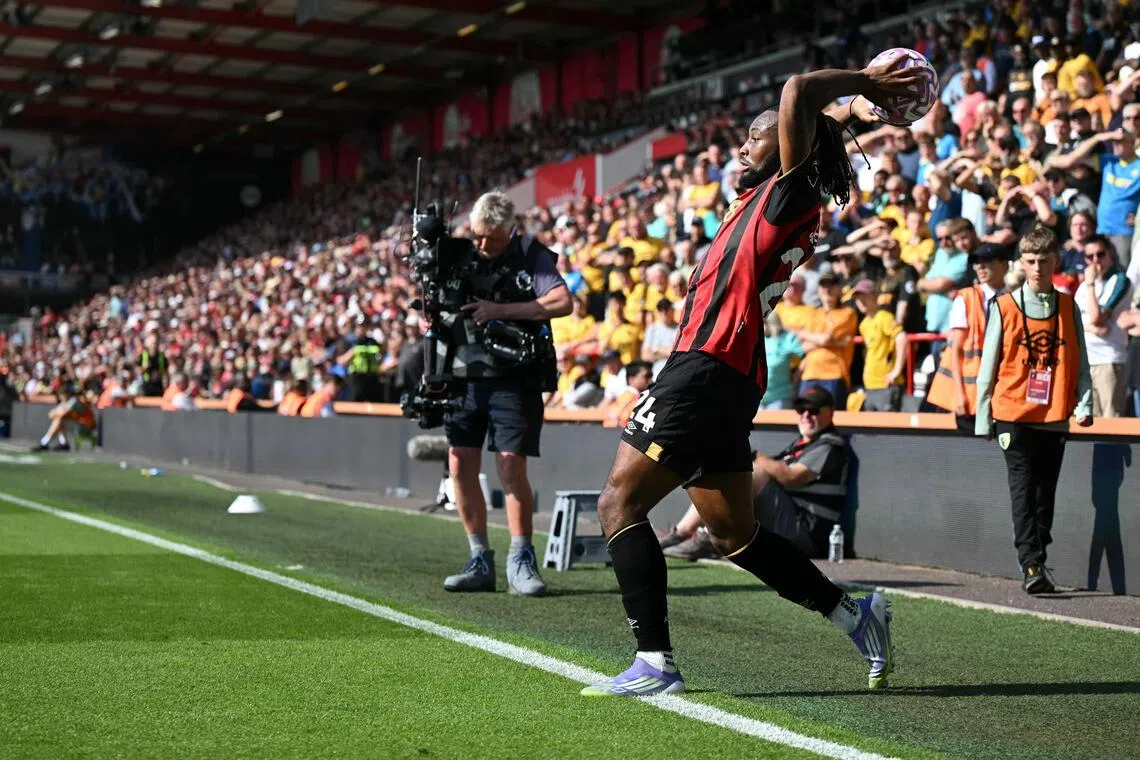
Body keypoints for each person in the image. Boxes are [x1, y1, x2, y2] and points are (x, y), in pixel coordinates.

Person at [582, 57, 923, 698]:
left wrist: (863, 86)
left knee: (617, 505)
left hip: (707, 367)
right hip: (730, 375)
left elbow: (797, 91)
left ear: (784, 148)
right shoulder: (768, 194)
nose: (743, 144)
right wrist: (849, 112)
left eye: (755, 136)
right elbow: (809, 116)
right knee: (734, 533)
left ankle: (654, 662)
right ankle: (856, 614)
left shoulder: (790, 192)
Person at [442, 191, 572, 597]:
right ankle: (479, 557)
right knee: (460, 461)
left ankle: (521, 556)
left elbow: (562, 301)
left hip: (515, 375)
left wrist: (501, 311)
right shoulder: (460, 253)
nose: (483, 246)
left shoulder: (531, 252)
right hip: (462, 371)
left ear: (510, 231)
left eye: (492, 240)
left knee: (510, 463)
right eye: (477, 236)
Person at [975, 226, 1093, 595]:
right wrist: (984, 418)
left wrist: (1084, 403)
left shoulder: (1068, 305)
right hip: (1012, 413)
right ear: (1021, 263)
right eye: (1031, 261)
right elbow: (988, 365)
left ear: (1056, 261)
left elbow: (1083, 362)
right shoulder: (1005, 306)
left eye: (1044, 260)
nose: (1038, 267)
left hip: (1054, 414)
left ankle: (1037, 554)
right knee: (1022, 492)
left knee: (1045, 496)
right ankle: (1031, 564)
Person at [661, 386, 850, 561]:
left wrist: (750, 454)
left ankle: (706, 538)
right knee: (728, 471)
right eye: (802, 410)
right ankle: (686, 533)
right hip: (787, 524)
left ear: (831, 412)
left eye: (814, 410)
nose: (806, 415)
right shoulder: (801, 444)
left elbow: (790, 478)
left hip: (807, 535)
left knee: (751, 473)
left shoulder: (830, 446)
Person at [926, 243, 1011, 430]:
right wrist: (958, 395)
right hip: (970, 399)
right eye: (977, 262)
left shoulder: (1013, 299)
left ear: (1005, 265)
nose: (980, 267)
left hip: (1002, 396)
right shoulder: (965, 298)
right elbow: (954, 350)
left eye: (987, 261)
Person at [851, 279, 906, 411]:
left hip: (886, 384)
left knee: (887, 428)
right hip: (870, 384)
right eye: (858, 297)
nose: (861, 300)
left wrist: (896, 370)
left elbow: (902, 338)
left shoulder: (884, 317)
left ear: (875, 295)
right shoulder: (864, 324)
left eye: (864, 295)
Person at [31, 384, 96, 452]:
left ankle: (45, 443)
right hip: (78, 424)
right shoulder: (66, 402)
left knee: (59, 420)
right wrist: (57, 413)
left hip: (87, 426)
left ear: (68, 394)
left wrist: (57, 413)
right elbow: (50, 414)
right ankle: (62, 444)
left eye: (63, 395)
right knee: (59, 420)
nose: (61, 397)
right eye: (61, 395)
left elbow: (61, 413)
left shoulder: (74, 400)